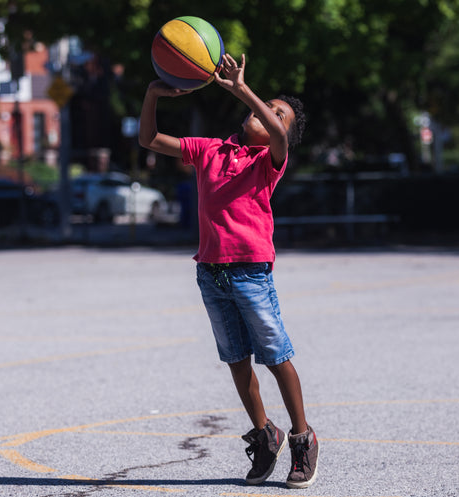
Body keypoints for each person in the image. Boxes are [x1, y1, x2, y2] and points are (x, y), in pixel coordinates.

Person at [138, 52, 318, 489]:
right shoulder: (209, 150)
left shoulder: (269, 160)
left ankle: (301, 436)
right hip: (211, 273)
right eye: (265, 107)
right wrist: (151, 95)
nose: (267, 115)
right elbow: (149, 139)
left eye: (278, 114)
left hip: (251, 271)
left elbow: (277, 133)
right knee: (236, 360)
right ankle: (264, 433)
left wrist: (242, 88)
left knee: (275, 355)